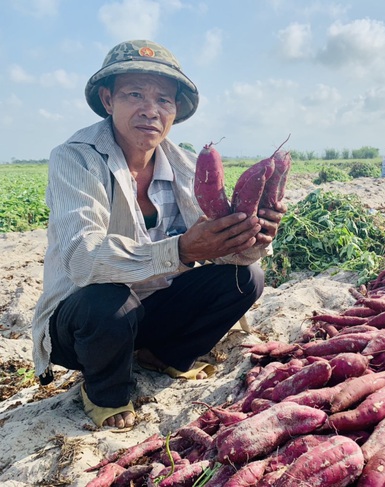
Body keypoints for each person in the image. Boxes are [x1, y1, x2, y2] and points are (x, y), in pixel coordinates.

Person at [30, 40, 287, 429]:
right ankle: (105, 394)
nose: (151, 109)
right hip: (84, 323)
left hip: (151, 309)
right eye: (135, 94)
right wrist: (181, 249)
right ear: (107, 99)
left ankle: (163, 354)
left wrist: (248, 240)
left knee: (245, 278)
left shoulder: (185, 165)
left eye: (164, 100)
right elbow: (82, 258)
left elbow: (215, 251)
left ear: (175, 111)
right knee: (109, 300)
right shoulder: (76, 157)